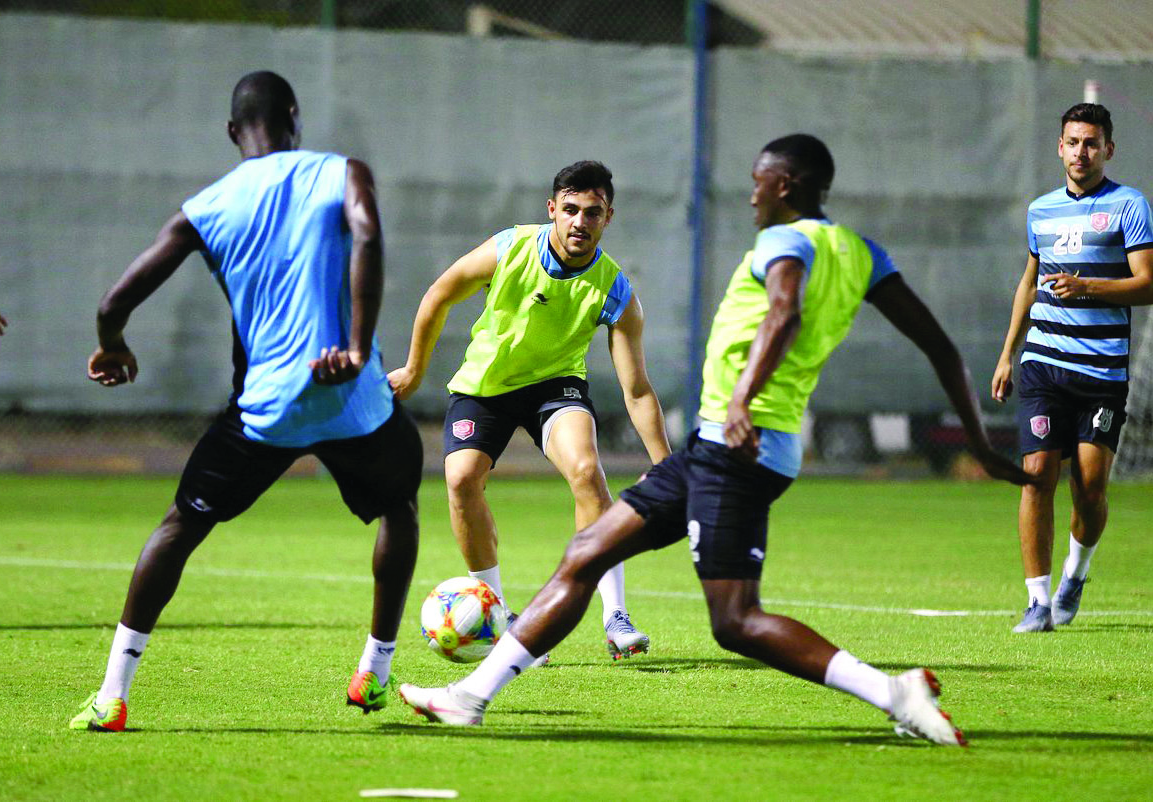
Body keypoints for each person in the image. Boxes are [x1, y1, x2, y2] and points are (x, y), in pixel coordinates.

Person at [399, 134, 1034, 745]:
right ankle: (470, 696)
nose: (751, 195)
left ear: (787, 185)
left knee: (736, 621)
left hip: (737, 449)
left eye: (759, 182)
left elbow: (783, 310)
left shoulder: (784, 241)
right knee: (587, 553)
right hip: (722, 450)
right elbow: (942, 348)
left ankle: (896, 693)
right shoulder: (863, 253)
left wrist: (739, 399)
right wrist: (978, 443)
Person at [69, 71, 423, 731]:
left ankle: (112, 693)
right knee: (398, 508)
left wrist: (112, 346)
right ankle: (374, 672)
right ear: (295, 116)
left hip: (268, 407)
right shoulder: (342, 171)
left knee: (179, 528)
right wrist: (354, 346)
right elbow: (369, 237)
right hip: (352, 397)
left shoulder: (205, 208)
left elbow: (113, 302)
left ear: (233, 131)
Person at [388, 161, 671, 661]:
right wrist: (413, 370)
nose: (580, 221)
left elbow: (638, 391)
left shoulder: (615, 291)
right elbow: (439, 294)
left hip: (555, 386)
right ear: (552, 209)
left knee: (586, 470)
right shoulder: (510, 248)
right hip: (486, 385)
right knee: (461, 480)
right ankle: (499, 616)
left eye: (593, 212)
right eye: (570, 209)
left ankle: (616, 616)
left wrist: (667, 467)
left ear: (608, 217)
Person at [992, 103, 1153, 633]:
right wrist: (1008, 353)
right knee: (1037, 474)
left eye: (1091, 143)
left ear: (1108, 149)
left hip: (1102, 372)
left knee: (1089, 490)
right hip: (1043, 363)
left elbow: (1148, 284)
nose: (1081, 152)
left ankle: (1075, 575)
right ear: (1059, 147)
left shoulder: (1129, 205)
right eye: (1073, 142)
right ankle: (1037, 602)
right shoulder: (1041, 210)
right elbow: (1029, 281)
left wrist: (1087, 286)